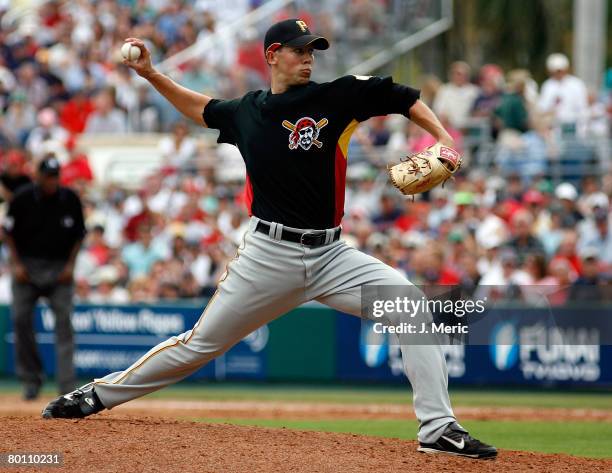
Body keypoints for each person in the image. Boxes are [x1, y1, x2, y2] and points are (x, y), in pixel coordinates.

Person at [42, 19, 497, 459]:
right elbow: (198, 108)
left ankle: (438, 429)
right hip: (268, 255)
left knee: (410, 307)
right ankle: (96, 395)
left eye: (312, 50)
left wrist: (442, 137)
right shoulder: (248, 111)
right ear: (272, 55)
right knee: (198, 346)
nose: (308, 59)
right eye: (299, 50)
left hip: (332, 254)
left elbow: (402, 96)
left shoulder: (336, 98)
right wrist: (151, 74)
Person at [4, 157, 86, 400]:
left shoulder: (69, 199)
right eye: (48, 176)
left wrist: (70, 265)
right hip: (27, 267)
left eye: (55, 176)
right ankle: (31, 380)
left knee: (64, 325)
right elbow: (7, 233)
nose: (52, 181)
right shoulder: (22, 198)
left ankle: (66, 386)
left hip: (59, 268)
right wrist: (16, 264)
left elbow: (80, 234)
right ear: (38, 175)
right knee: (20, 320)